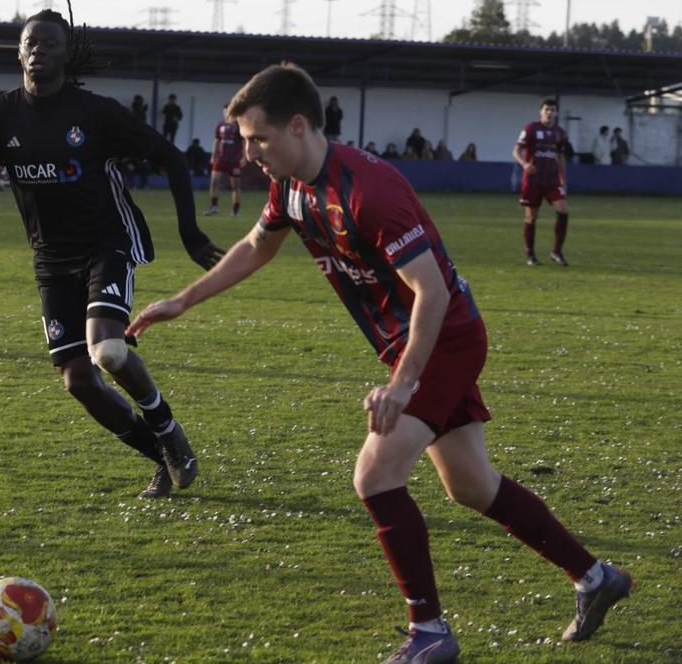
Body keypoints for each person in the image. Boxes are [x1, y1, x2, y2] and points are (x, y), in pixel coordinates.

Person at [129, 62, 633, 664]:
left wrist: (403, 383)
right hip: (414, 344)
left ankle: (430, 632)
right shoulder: (290, 185)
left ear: (297, 126)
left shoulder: (370, 191)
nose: (249, 153)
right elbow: (255, 247)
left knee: (375, 475)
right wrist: (181, 301)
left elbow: (434, 293)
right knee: (471, 486)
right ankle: (595, 576)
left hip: (445, 336)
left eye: (257, 138)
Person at [0, 7, 225, 499]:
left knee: (109, 350)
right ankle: (161, 458)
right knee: (78, 380)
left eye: (50, 44)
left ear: (65, 52)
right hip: (51, 260)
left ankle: (168, 429)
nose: (38, 51)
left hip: (107, 242)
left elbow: (171, 157)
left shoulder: (94, 114)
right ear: (19, 51)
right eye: (31, 42)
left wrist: (189, 232)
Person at [513, 98, 570, 266]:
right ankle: (530, 255)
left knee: (563, 210)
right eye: (546, 109)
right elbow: (516, 150)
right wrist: (524, 164)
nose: (549, 113)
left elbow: (560, 157)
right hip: (533, 180)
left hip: (552, 180)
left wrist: (563, 180)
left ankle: (557, 252)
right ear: (541, 111)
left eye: (552, 110)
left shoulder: (560, 133)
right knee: (531, 217)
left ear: (556, 113)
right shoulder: (531, 128)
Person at [206, 105, 244, 216]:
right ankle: (214, 207)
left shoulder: (238, 125)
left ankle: (235, 211)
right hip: (220, 159)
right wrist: (213, 156)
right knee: (214, 182)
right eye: (224, 111)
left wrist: (244, 157)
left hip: (234, 160)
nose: (226, 113)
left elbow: (244, 141)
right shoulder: (220, 125)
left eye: (228, 111)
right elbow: (216, 140)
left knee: (235, 186)